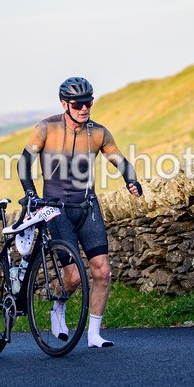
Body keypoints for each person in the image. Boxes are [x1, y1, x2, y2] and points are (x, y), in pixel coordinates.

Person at [18, 77, 142, 348]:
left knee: (102, 272)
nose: (85, 108)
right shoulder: (46, 128)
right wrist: (30, 192)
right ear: (65, 104)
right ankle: (58, 309)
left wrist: (131, 180)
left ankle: (94, 334)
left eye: (89, 102)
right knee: (73, 276)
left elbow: (119, 159)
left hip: (87, 207)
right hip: (55, 208)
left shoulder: (98, 132)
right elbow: (24, 162)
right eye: (78, 104)